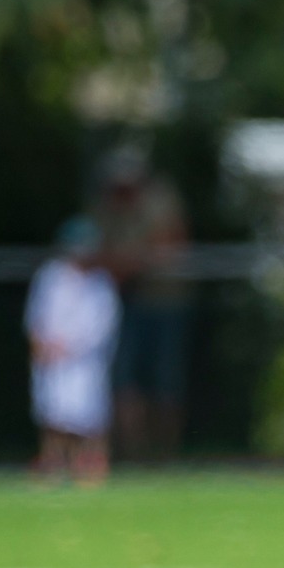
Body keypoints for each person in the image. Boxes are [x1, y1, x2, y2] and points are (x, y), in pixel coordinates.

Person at [95, 147, 189, 462]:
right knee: (124, 379)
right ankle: (133, 453)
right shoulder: (109, 207)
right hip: (125, 304)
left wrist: (131, 263)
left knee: (166, 381)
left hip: (166, 301)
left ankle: (165, 453)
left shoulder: (160, 199)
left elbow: (168, 246)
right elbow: (104, 254)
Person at [25, 218, 120, 486]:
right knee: (53, 412)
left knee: (89, 414)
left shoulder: (102, 283)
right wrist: (44, 345)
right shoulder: (50, 277)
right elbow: (37, 318)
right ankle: (53, 461)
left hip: (86, 362)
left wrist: (73, 347)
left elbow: (103, 326)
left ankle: (91, 462)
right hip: (52, 359)